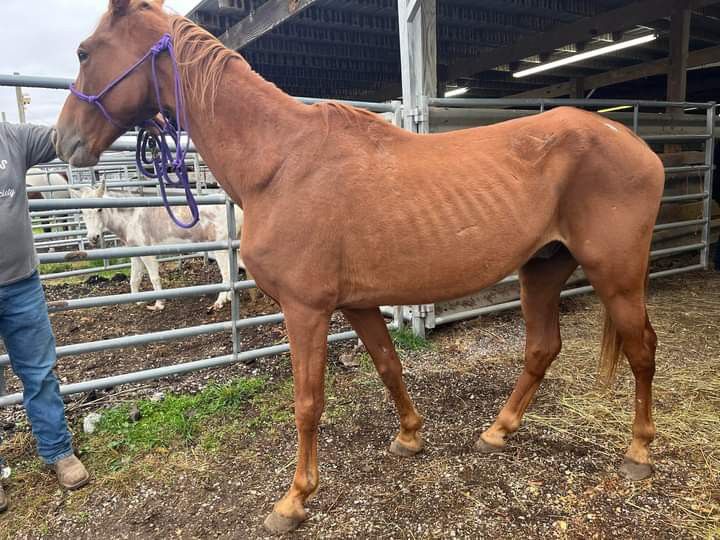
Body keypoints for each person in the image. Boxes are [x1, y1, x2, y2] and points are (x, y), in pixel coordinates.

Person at [0, 122, 89, 513]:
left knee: (39, 371)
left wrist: (136, 105)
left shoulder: (12, 138)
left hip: (22, 283)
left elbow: (67, 133)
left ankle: (58, 452)